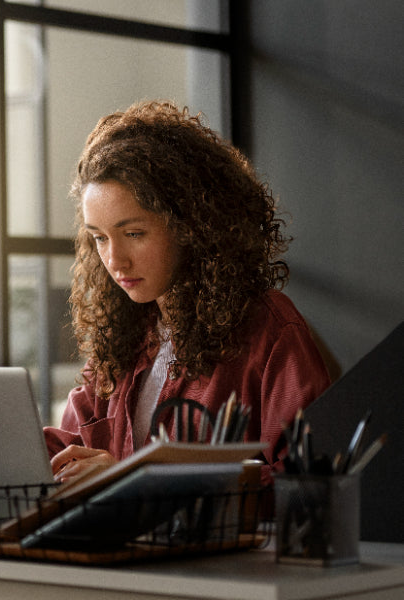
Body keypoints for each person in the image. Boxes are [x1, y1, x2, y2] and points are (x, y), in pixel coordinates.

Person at [45, 101, 331, 488]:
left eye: (134, 234)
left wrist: (139, 478)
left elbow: (305, 478)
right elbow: (76, 447)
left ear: (190, 225)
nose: (114, 260)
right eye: (99, 238)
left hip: (224, 550)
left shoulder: (270, 331)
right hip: (124, 546)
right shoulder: (124, 336)